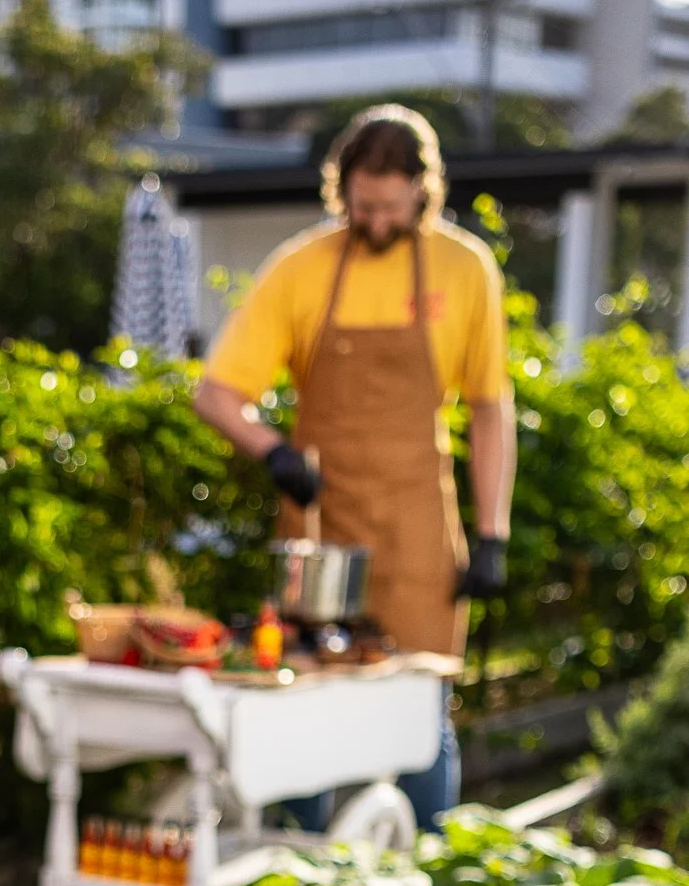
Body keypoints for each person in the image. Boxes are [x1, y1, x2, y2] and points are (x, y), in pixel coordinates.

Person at [192, 103, 514, 830]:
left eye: (390, 209)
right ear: (341, 193)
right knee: (305, 711)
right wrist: (271, 451)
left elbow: (490, 409)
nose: (373, 223)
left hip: (416, 529)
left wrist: (491, 535)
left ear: (421, 194)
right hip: (319, 529)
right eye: (361, 207)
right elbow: (215, 393)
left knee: (418, 709)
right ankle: (302, 875)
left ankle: (426, 870)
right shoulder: (301, 267)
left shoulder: (465, 269)